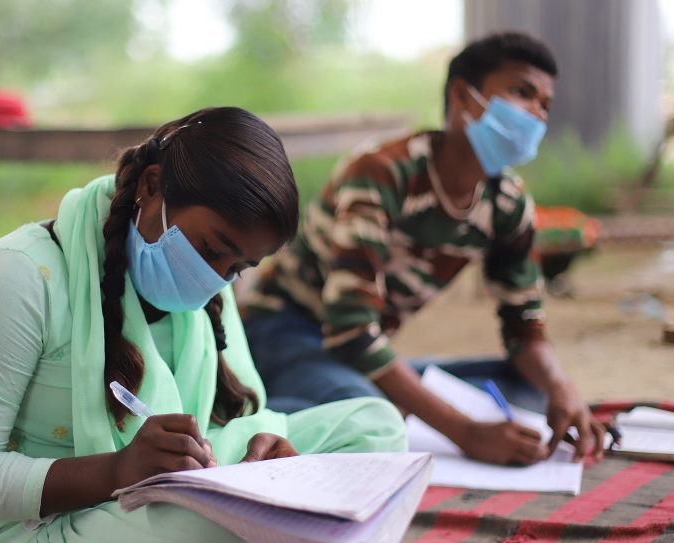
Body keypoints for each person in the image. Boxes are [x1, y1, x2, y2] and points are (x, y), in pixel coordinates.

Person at [0, 107, 406, 543]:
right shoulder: (19, 275)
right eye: (212, 249)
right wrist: (117, 470)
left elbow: (225, 427)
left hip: (166, 501)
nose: (217, 277)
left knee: (376, 428)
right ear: (151, 186)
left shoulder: (209, 291)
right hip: (39, 530)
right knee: (218, 535)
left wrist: (265, 456)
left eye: (238, 267)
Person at [243, 31, 606, 466]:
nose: (536, 113)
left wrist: (562, 388)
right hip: (287, 333)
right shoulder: (382, 172)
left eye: (545, 104)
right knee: (374, 422)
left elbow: (524, 330)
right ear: (462, 95)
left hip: (364, 353)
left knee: (529, 390)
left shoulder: (507, 203)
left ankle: (368, 398)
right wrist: (465, 432)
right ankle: (258, 410)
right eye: (521, 92)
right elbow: (350, 330)